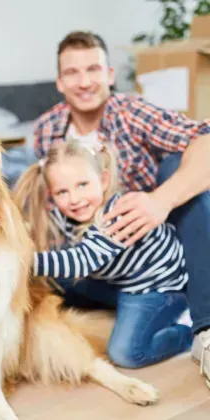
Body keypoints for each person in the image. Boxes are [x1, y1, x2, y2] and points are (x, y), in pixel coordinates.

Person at [32, 30, 210, 384]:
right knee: (59, 274)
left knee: (180, 166)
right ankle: (137, 307)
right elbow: (46, 199)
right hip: (101, 255)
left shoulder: (131, 113)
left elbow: (204, 139)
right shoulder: (46, 130)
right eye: (73, 73)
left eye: (93, 69)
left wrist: (161, 201)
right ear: (59, 82)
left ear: (110, 75)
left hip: (148, 240)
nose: (84, 82)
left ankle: (201, 323)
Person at [13, 139, 193, 368]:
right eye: (62, 192)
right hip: (118, 280)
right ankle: (123, 313)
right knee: (60, 279)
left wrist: (18, 261)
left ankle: (185, 331)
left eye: (82, 185)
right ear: (52, 196)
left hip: (158, 287)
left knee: (125, 353)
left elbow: (82, 261)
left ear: (104, 180)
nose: (75, 199)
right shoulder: (66, 215)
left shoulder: (117, 214)